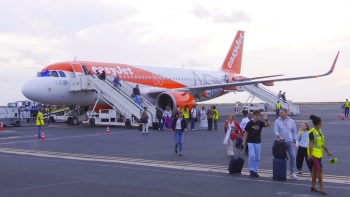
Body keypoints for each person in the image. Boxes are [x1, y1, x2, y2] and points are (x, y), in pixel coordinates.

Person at [308, 115, 332, 194]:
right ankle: (322, 187)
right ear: (319, 123)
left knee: (315, 170)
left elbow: (322, 144)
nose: (322, 122)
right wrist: (310, 155)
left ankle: (313, 186)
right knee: (320, 169)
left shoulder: (320, 131)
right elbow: (311, 144)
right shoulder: (312, 132)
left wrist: (327, 151)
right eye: (321, 121)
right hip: (314, 154)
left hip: (319, 154)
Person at [242, 110, 270, 177]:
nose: (257, 116)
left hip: (257, 141)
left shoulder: (260, 123)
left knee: (257, 157)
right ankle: (251, 170)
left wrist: (266, 120)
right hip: (250, 141)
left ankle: (255, 170)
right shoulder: (250, 123)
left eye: (258, 115)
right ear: (253, 116)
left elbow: (268, 125)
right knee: (252, 155)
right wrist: (244, 141)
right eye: (256, 115)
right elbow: (246, 132)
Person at [274, 108, 298, 179]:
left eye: (281, 113)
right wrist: (280, 136)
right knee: (282, 158)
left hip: (289, 141)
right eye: (279, 113)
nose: (280, 114)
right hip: (281, 142)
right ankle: (281, 172)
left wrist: (294, 140)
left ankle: (292, 172)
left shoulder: (291, 121)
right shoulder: (277, 121)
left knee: (293, 156)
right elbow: (276, 131)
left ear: (285, 113)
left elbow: (294, 131)